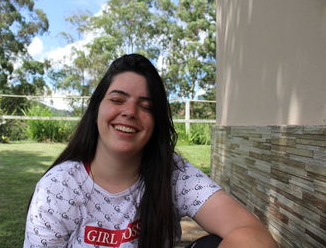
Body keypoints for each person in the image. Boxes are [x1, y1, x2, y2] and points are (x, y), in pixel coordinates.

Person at [24, 54, 278, 248]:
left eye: (145, 106)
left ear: (156, 122)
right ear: (96, 109)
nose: (130, 112)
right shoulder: (59, 187)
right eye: (117, 99)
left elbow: (250, 231)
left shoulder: (173, 174)